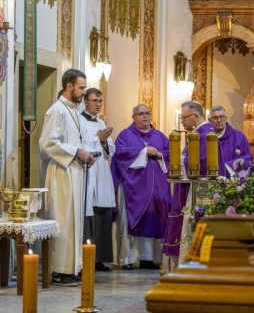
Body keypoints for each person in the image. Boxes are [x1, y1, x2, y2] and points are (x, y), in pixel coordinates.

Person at [40, 69, 95, 286]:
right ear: (69, 86)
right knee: (63, 221)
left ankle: (72, 267)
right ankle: (58, 270)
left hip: (76, 171)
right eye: (81, 88)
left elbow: (79, 140)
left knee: (74, 222)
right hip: (62, 174)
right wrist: (76, 152)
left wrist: (87, 154)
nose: (84, 92)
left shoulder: (74, 111)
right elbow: (47, 142)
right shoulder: (57, 110)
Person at [111, 104, 170, 270]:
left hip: (156, 188)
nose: (144, 117)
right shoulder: (125, 135)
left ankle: (149, 258)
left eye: (147, 113)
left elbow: (170, 153)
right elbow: (119, 153)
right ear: (134, 117)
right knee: (128, 221)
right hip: (132, 188)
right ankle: (128, 259)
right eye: (140, 114)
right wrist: (143, 151)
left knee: (154, 220)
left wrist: (160, 155)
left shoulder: (160, 136)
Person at [163, 101, 216, 267]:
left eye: (184, 118)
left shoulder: (206, 135)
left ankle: (190, 263)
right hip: (188, 187)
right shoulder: (198, 134)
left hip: (197, 190)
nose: (182, 122)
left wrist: (178, 160)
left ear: (195, 116)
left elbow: (202, 164)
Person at [80, 88, 116, 272]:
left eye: (100, 101)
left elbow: (111, 149)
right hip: (89, 171)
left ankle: (100, 258)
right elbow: (80, 146)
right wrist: (98, 139)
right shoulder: (79, 120)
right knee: (90, 213)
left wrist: (103, 141)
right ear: (85, 101)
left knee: (102, 214)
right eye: (95, 100)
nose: (98, 104)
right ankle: (88, 258)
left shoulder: (101, 121)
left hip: (102, 171)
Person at [208, 105, 253, 176]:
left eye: (222, 117)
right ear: (209, 120)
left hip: (232, 179)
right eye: (215, 118)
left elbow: (246, 158)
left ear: (226, 118)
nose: (219, 120)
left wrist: (225, 166)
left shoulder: (239, 137)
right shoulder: (205, 137)